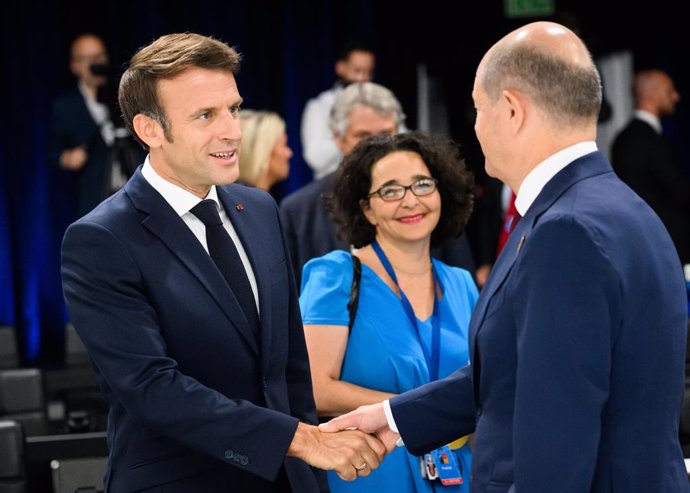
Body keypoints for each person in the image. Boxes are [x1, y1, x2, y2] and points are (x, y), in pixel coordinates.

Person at [321, 21, 690, 492]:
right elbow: (519, 370)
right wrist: (395, 416)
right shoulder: (622, 207)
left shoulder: (565, 231)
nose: (475, 126)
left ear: (511, 109)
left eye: (478, 108)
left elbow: (556, 439)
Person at [60, 32, 386, 492]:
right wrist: (299, 440)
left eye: (233, 108)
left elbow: (288, 367)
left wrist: (309, 472)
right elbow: (153, 389)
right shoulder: (101, 238)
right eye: (205, 115)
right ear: (149, 129)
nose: (232, 130)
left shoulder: (259, 209)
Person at [300, 131, 477, 492]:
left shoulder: (462, 284)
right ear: (366, 208)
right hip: (372, 473)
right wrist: (421, 413)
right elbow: (315, 387)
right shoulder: (335, 276)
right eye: (390, 191)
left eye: (422, 185)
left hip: (458, 474)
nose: (411, 201)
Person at [280, 82, 476, 287]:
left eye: (385, 134)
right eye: (363, 136)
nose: (376, 146)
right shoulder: (299, 211)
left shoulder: (430, 197)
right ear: (337, 138)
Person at [612, 69, 690, 265]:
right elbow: (678, 191)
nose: (676, 97)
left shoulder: (623, 139)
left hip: (643, 246)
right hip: (668, 249)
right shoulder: (648, 141)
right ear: (651, 94)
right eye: (670, 91)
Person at [48, 33, 117, 218]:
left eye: (100, 57)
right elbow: (53, 154)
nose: (96, 64)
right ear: (75, 66)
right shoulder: (65, 107)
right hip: (94, 199)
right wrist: (67, 158)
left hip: (133, 190)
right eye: (88, 59)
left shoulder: (123, 96)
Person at [301, 41, 375, 179]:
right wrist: (350, 135)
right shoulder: (320, 106)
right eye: (357, 71)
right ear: (340, 68)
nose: (362, 78)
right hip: (332, 188)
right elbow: (315, 157)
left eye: (368, 72)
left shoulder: (381, 104)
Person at [238, 110, 292, 191]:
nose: (289, 153)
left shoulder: (261, 200)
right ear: (263, 152)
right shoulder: (248, 202)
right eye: (284, 145)